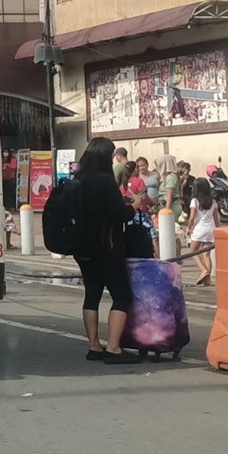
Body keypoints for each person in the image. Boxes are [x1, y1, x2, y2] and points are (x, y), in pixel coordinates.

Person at [71, 136, 144, 364]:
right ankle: (113, 348)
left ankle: (94, 345)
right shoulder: (104, 181)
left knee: (91, 295)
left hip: (82, 246)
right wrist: (134, 206)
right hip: (107, 246)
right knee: (121, 296)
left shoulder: (78, 179)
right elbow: (118, 215)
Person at [186, 178, 219, 285]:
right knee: (206, 254)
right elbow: (216, 218)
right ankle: (207, 279)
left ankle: (204, 271)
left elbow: (192, 217)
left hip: (199, 228)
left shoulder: (194, 201)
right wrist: (218, 229)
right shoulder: (213, 201)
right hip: (211, 228)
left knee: (193, 251)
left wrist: (189, 228)